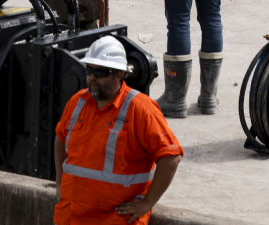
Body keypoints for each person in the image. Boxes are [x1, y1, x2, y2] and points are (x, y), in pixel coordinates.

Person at [54, 36, 183, 225]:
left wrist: (147, 203)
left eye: (100, 72)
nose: (92, 78)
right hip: (69, 217)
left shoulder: (139, 109)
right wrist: (59, 181)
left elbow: (171, 156)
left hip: (113, 220)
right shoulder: (77, 102)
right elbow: (60, 137)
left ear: (119, 74)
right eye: (89, 70)